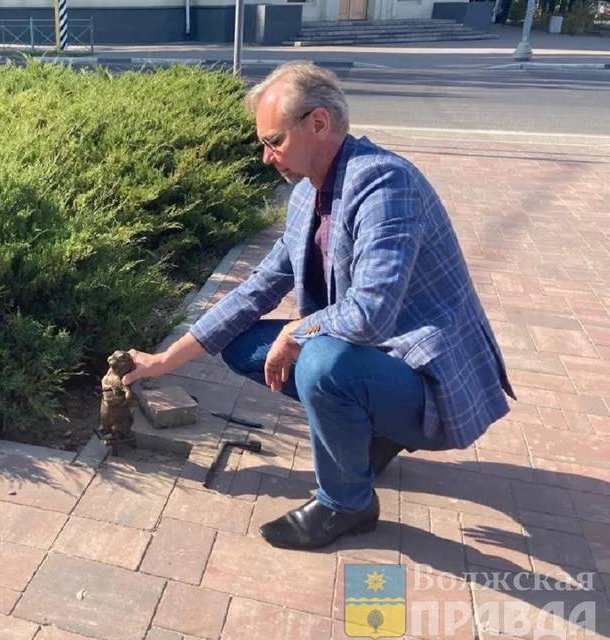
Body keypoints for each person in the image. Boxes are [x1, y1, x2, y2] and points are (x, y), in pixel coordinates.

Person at [121, 61, 514, 551]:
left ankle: (347, 504)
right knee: (243, 343)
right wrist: (163, 361)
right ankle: (372, 433)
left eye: (274, 141)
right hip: (377, 363)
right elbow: (256, 289)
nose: (266, 157)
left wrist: (297, 332)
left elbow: (370, 312)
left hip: (430, 381)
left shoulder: (385, 185)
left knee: (320, 361)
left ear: (319, 123)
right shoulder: (308, 194)